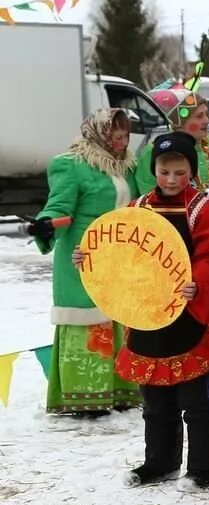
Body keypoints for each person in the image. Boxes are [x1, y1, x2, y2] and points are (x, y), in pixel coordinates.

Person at [97, 131, 209, 488]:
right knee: (155, 400)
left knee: (196, 400)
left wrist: (199, 284)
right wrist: (91, 258)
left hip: (188, 315)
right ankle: (159, 462)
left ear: (191, 171)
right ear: (153, 169)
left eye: (179, 172)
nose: (171, 180)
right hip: (147, 315)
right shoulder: (138, 209)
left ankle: (203, 468)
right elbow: (117, 248)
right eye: (163, 171)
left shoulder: (201, 210)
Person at [138, 90, 209, 407]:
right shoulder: (154, 152)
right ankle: (173, 378)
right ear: (179, 118)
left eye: (205, 114)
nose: (207, 120)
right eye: (199, 115)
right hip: (171, 247)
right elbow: (145, 197)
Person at [25, 109, 141, 415]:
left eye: (125, 135)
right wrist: (46, 224)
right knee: (88, 323)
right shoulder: (72, 165)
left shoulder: (128, 166)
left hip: (120, 257)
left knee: (120, 319)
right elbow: (59, 206)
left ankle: (123, 390)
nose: (121, 141)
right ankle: (86, 397)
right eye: (115, 136)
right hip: (83, 257)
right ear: (98, 133)